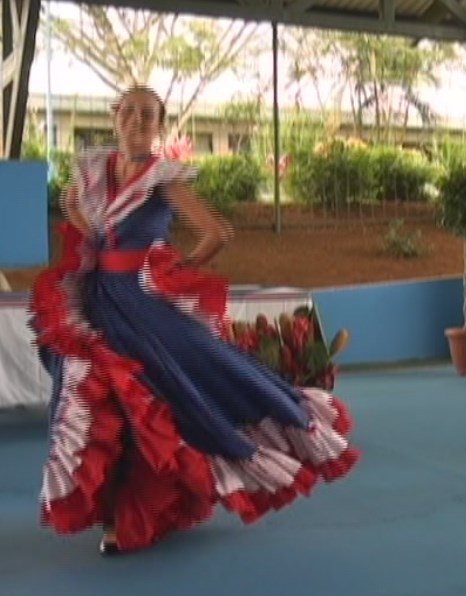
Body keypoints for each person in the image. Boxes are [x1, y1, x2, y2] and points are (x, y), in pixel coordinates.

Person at [30, 85, 358, 555]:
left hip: (141, 308)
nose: (137, 122)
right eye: (129, 112)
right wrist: (86, 227)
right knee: (92, 398)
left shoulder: (163, 177)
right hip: (97, 302)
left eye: (148, 115)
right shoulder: (94, 170)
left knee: (159, 395)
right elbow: (86, 220)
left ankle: (132, 516)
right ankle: (114, 511)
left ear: (160, 124)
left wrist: (173, 268)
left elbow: (217, 232)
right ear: (114, 115)